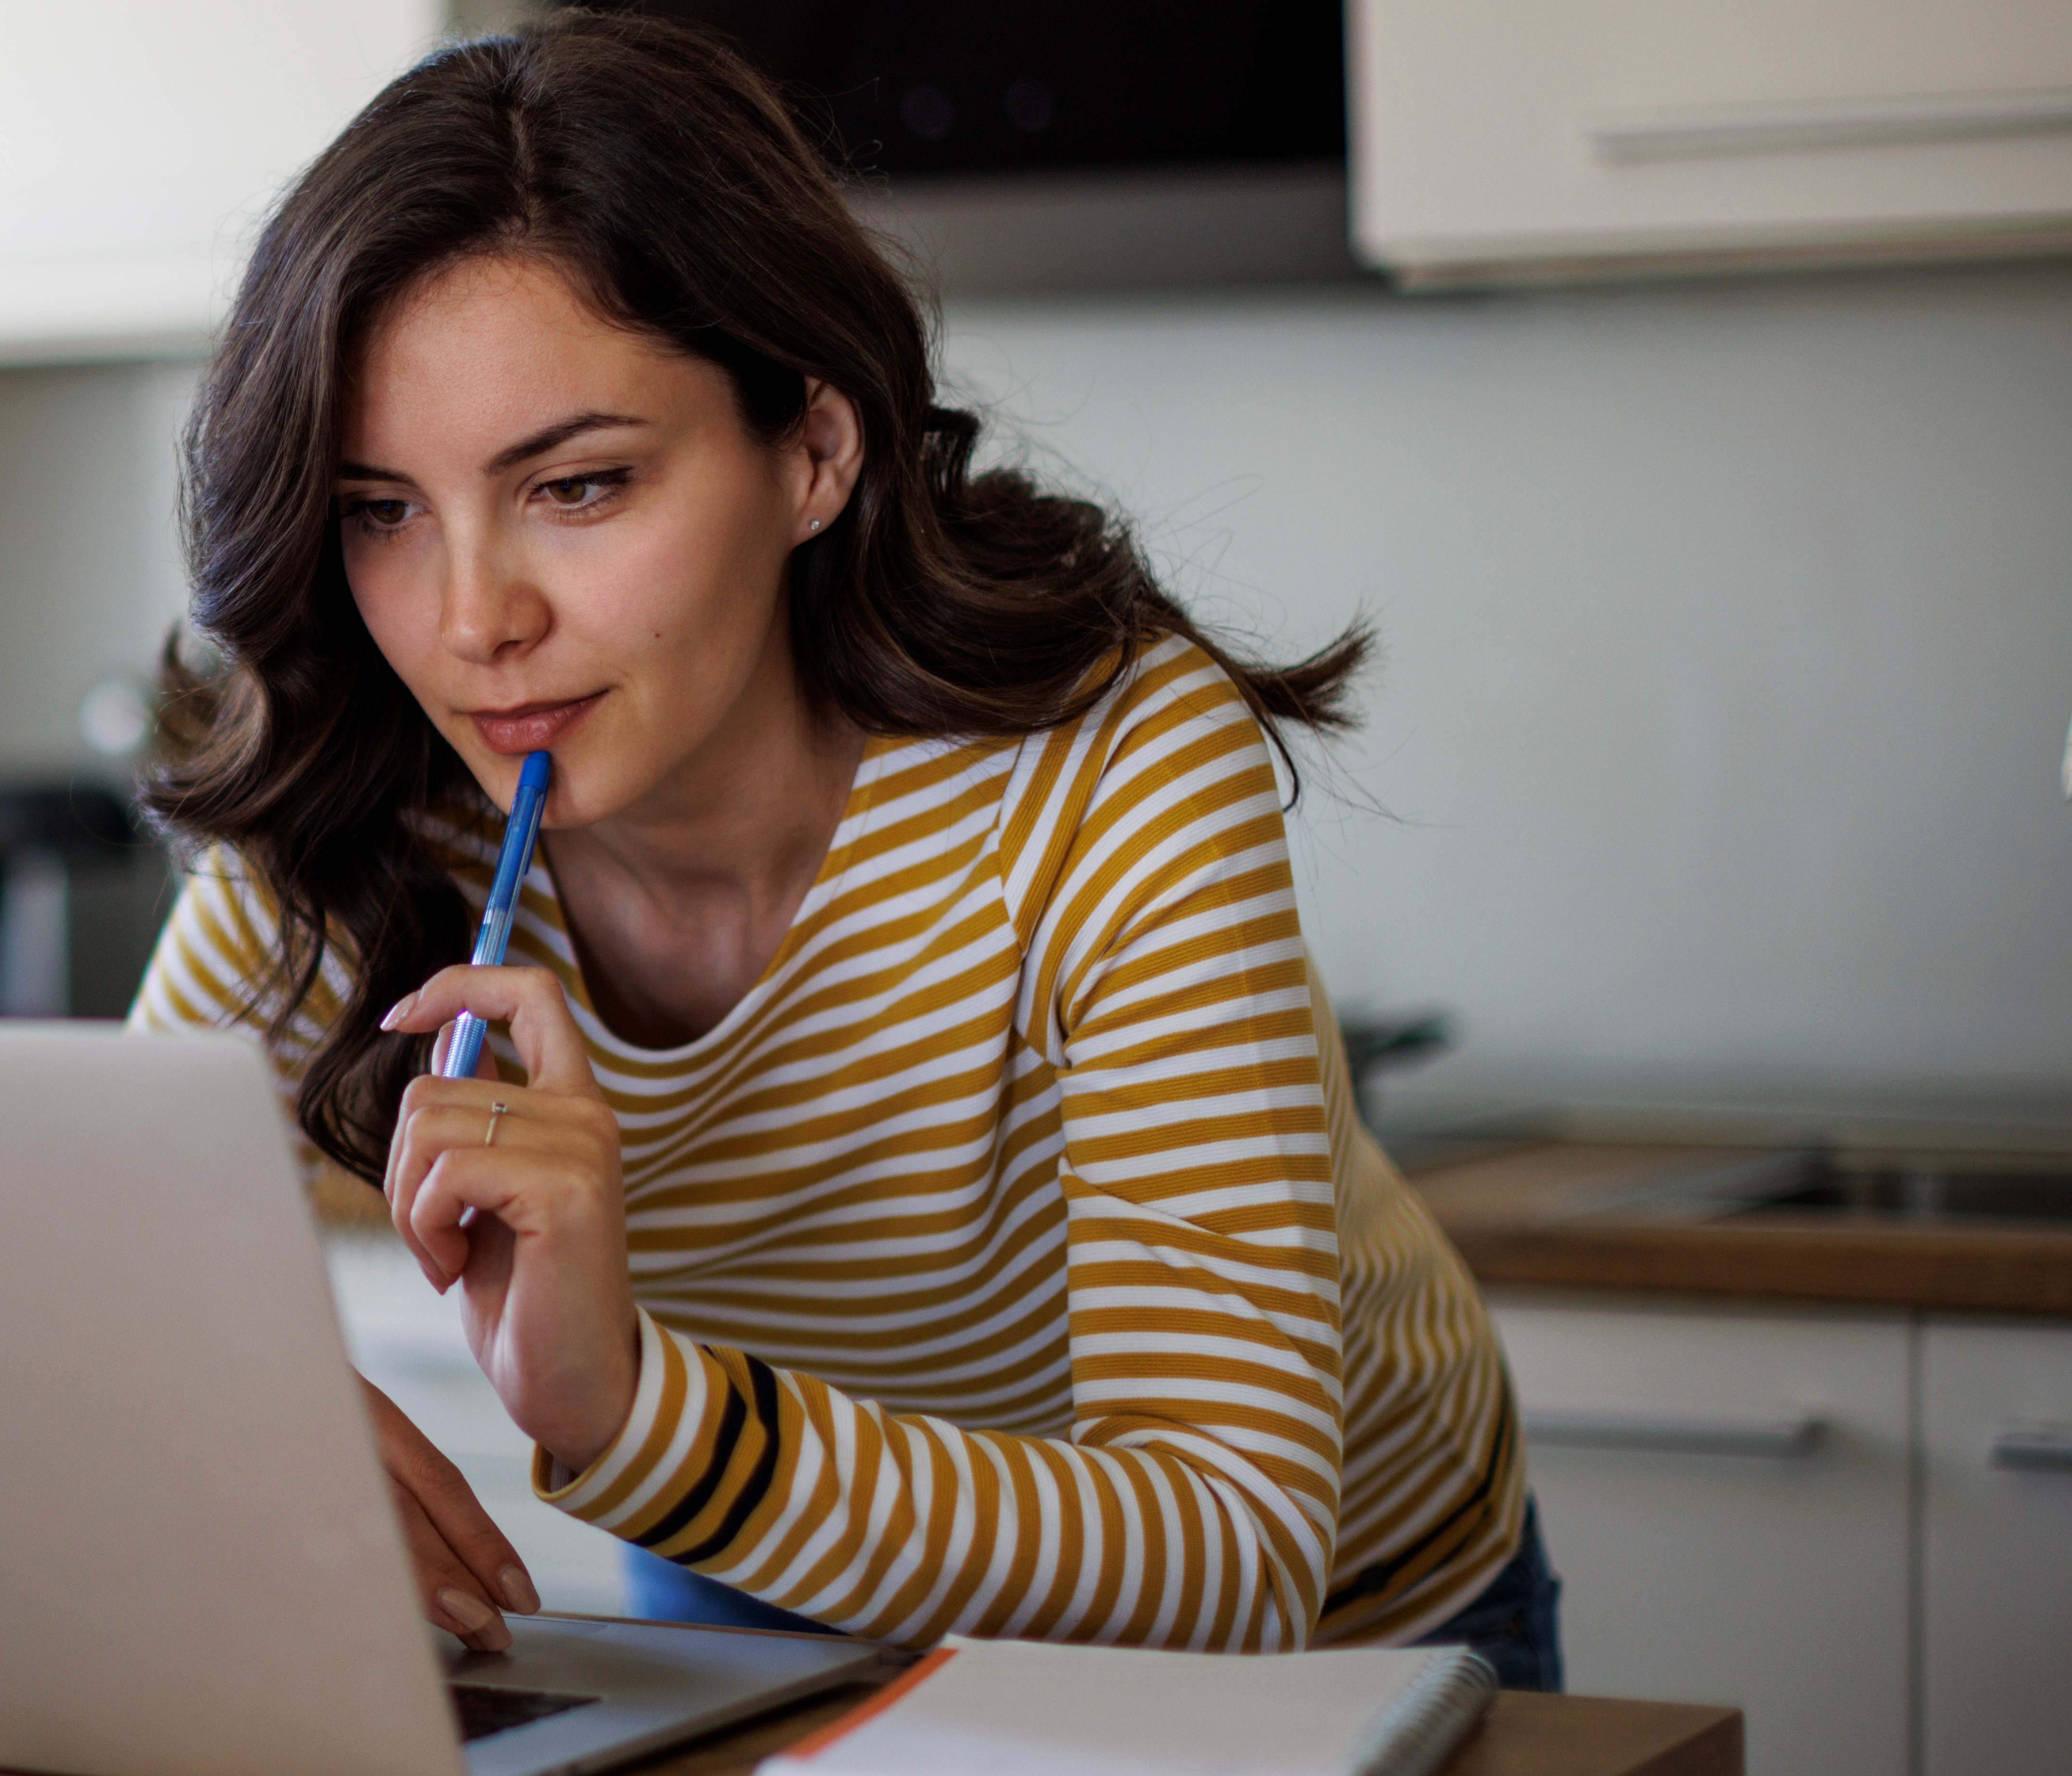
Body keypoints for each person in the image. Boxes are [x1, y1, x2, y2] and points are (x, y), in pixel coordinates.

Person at [125, 13, 1558, 1690]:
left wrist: (642, 1416)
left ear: (813, 448)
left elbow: (1233, 1542)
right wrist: (237, 1413)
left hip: (1324, 1643)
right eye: (382, 510)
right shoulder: (368, 782)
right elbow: (89, 1266)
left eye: (579, 486)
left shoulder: (1109, 762)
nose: (471, 625)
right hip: (776, 1585)